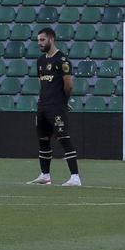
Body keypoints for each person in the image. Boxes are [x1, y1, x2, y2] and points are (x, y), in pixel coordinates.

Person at [29, 27, 81, 187]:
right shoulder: (40, 61)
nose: (39, 43)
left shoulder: (62, 60)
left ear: (51, 39)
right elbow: (41, 83)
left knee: (64, 139)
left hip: (57, 106)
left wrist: (63, 101)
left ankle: (75, 177)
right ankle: (45, 176)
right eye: (38, 40)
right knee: (43, 140)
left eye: (42, 40)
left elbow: (69, 85)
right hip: (43, 106)